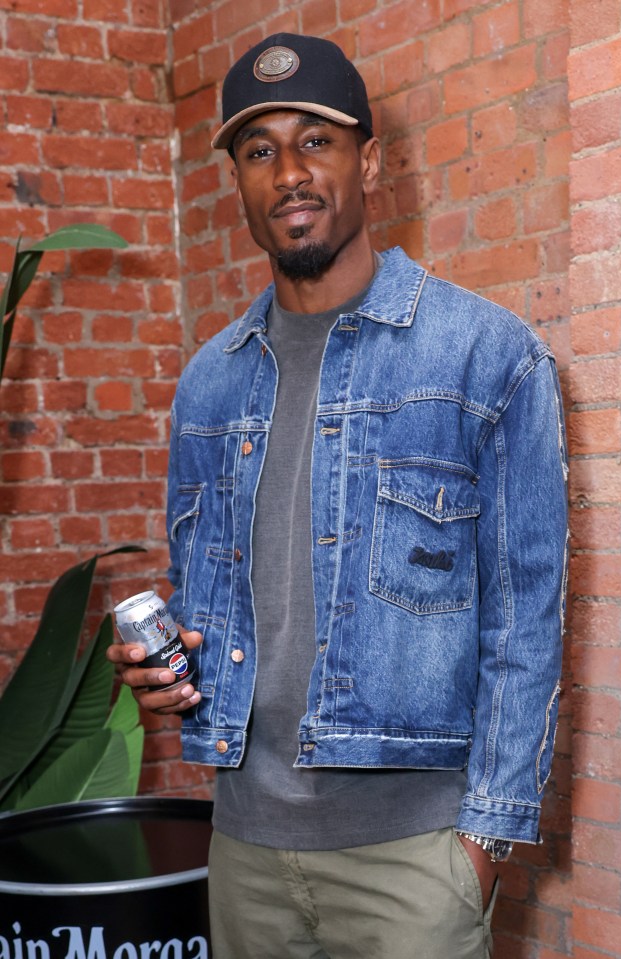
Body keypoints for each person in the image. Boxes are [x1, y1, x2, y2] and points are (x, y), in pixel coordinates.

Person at [108, 32, 568, 959]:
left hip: (414, 860)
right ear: (237, 179)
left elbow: (526, 617)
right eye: (259, 149)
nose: (289, 173)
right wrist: (167, 678)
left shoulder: (484, 355)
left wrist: (481, 844)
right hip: (244, 851)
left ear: (371, 159)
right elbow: (218, 601)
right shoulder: (207, 384)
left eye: (315, 141)